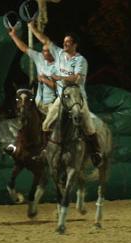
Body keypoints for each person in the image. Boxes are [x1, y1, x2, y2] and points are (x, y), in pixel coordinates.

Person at [28, 22, 102, 166]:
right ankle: (45, 151)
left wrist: (60, 78)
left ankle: (96, 153)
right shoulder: (60, 53)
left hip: (77, 98)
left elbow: (76, 78)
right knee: (46, 124)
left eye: (68, 42)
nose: (65, 44)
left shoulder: (81, 61)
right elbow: (45, 40)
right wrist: (32, 28)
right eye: (64, 42)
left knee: (89, 126)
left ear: (75, 45)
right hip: (62, 98)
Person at [8, 26, 57, 115]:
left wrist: (44, 80)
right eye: (43, 51)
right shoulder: (39, 57)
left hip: (53, 101)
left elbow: (59, 87)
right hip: (38, 98)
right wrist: (13, 36)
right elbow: (24, 48)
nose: (44, 53)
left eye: (47, 51)